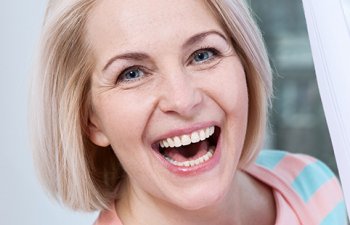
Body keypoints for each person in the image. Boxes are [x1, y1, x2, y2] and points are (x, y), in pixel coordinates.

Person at [30, 0, 347, 224]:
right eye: (132, 73)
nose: (183, 100)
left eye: (203, 54)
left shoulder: (313, 184)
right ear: (91, 119)